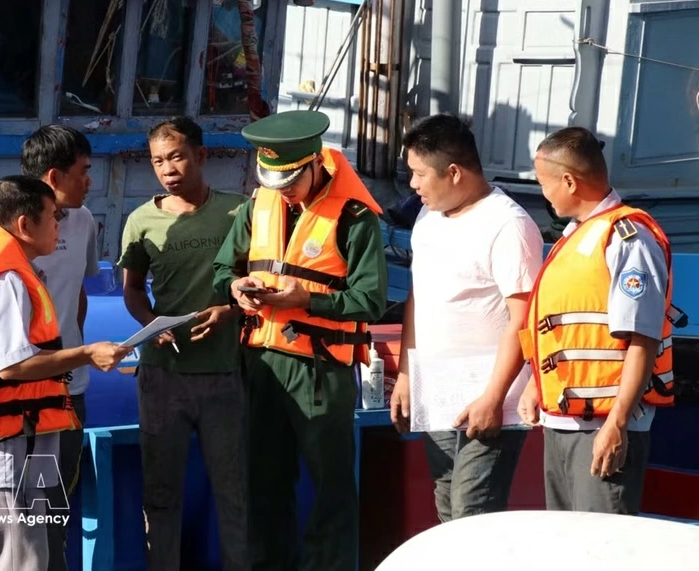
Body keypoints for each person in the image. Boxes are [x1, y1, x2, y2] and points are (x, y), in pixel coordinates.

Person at [213, 110, 388, 571]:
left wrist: (305, 300)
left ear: (316, 164)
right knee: (263, 484)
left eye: (290, 180)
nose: (283, 190)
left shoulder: (354, 217)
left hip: (319, 370)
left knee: (331, 488)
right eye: (275, 181)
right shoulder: (258, 205)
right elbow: (222, 269)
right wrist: (235, 289)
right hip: (261, 365)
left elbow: (370, 300)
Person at [0, 175, 129, 571]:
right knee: (16, 557)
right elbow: (13, 366)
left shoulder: (15, 274)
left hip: (24, 439)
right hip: (7, 446)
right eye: (52, 217)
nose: (60, 226)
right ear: (26, 225)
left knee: (23, 553)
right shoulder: (4, 282)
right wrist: (86, 353)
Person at [389, 114, 544, 522]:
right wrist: (406, 374)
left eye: (419, 174)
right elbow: (416, 298)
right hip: (437, 393)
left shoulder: (508, 224)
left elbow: (523, 318)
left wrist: (493, 398)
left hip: (491, 400)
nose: (413, 184)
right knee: (446, 504)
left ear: (454, 172)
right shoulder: (428, 217)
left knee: (472, 510)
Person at [0, 125, 99, 569]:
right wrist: (86, 353)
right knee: (15, 538)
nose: (89, 181)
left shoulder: (86, 221)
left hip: (58, 407)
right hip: (9, 422)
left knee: (46, 515)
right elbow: (1, 349)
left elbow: (78, 295)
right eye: (83, 172)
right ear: (54, 177)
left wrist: (69, 363)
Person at [517, 127, 675, 514]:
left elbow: (643, 338)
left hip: (604, 425)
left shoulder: (628, 238)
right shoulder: (576, 237)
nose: (543, 193)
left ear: (569, 181)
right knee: (568, 547)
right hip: (565, 421)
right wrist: (537, 384)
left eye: (544, 182)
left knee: (602, 549)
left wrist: (617, 423)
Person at [118, 116, 249, 571]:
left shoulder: (239, 211)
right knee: (161, 493)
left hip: (225, 376)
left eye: (176, 156)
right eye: (157, 160)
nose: (167, 169)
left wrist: (229, 311)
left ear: (201, 155)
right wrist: (154, 324)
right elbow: (133, 291)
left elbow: (259, 283)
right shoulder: (140, 221)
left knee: (234, 492)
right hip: (162, 378)